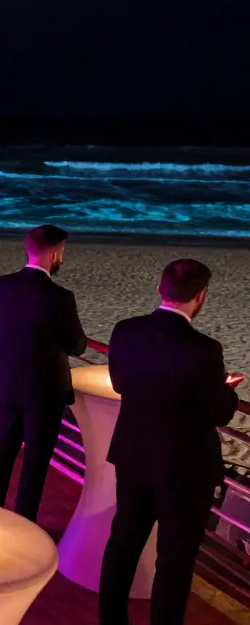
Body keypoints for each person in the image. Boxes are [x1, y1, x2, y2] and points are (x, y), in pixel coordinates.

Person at [100, 259, 239, 625]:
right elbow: (220, 412)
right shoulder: (204, 349)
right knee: (175, 559)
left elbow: (119, 384)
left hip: (134, 454)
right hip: (184, 467)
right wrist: (225, 389)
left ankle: (110, 619)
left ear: (161, 289)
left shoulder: (126, 330)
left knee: (124, 542)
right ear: (200, 296)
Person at [0, 225, 87, 522]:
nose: (61, 260)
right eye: (62, 254)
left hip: (7, 382)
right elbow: (77, 344)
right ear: (54, 254)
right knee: (35, 460)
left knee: (4, 450)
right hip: (44, 391)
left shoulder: (1, 286)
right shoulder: (60, 297)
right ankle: (24, 522)